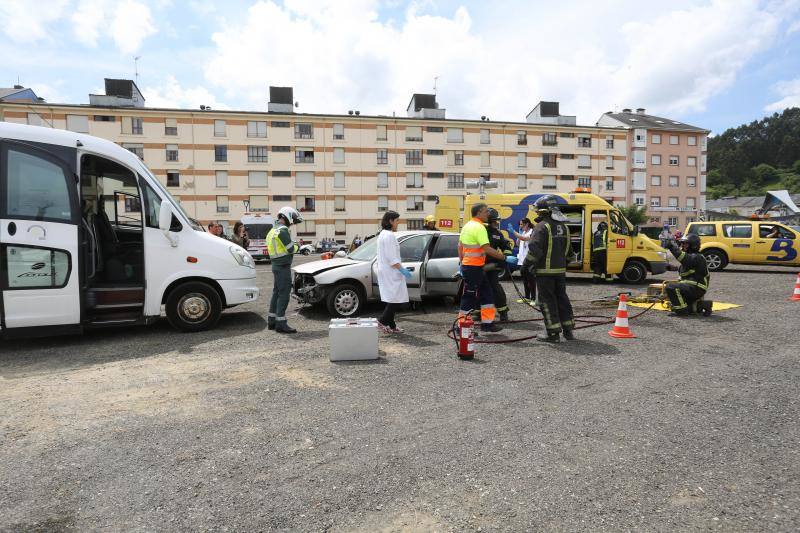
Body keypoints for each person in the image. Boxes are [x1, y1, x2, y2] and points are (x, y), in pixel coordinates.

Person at [458, 203, 517, 334]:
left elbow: (460, 246)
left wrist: (462, 263)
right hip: (474, 267)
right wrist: (505, 258)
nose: (487, 215)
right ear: (479, 212)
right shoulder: (479, 228)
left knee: (487, 294)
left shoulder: (467, 225)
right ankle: (461, 327)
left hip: (475, 267)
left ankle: (487, 324)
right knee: (469, 297)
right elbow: (487, 249)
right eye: (485, 212)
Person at [523, 195, 575, 343]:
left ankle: (552, 334)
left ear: (543, 212)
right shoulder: (564, 227)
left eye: (538, 211)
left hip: (545, 273)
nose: (537, 214)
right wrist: (560, 264)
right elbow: (570, 253)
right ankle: (568, 331)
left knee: (547, 301)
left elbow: (534, 250)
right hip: (560, 272)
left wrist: (526, 265)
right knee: (562, 299)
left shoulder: (541, 227)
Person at [266, 206, 303, 333]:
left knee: (276, 293)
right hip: (283, 267)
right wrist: (302, 248)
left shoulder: (273, 230)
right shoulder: (283, 231)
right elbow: (291, 249)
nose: (292, 222)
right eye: (292, 219)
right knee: (284, 294)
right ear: (286, 216)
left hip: (276, 265)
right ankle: (281, 323)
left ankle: (271, 321)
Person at [376, 211, 412, 333]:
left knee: (392, 298)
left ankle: (392, 326)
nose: (398, 223)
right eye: (397, 221)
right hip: (391, 271)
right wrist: (402, 269)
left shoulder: (383, 234)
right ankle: (382, 321)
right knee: (395, 299)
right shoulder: (389, 236)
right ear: (390, 221)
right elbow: (392, 257)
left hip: (386, 270)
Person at [665, 233, 711, 316]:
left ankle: (682, 312)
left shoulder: (697, 257)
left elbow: (685, 259)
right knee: (680, 305)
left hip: (697, 288)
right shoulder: (690, 258)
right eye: (682, 243)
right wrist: (671, 268)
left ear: (693, 245)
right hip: (691, 288)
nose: (682, 245)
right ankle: (704, 305)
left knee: (670, 287)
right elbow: (685, 269)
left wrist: (672, 247)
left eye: (685, 243)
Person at [483, 208, 513, 321]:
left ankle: (503, 312)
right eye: (495, 221)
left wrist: (507, 256)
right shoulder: (481, 231)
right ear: (490, 221)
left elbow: (505, 246)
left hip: (491, 266)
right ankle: (476, 312)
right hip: (479, 265)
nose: (497, 223)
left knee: (496, 289)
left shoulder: (497, 233)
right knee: (478, 290)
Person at [507, 218, 535, 302]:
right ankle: (527, 297)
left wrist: (514, 232)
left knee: (531, 280)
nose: (520, 226)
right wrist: (519, 234)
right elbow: (518, 243)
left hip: (529, 260)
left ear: (527, 224)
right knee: (525, 280)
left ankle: (534, 298)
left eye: (521, 224)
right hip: (522, 260)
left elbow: (524, 239)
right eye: (520, 224)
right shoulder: (523, 232)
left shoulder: (532, 232)